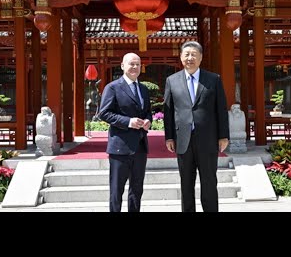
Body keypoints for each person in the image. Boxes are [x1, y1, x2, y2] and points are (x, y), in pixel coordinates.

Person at [163, 41, 230, 212]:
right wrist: (169, 137)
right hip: (183, 139)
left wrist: (223, 135)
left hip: (208, 139)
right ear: (181, 57)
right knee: (186, 182)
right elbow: (168, 111)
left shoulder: (213, 79)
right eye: (186, 54)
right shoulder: (172, 80)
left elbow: (221, 109)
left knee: (209, 181)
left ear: (200, 58)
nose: (190, 58)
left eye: (194, 54)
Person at [98, 52, 152, 212]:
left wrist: (149, 120)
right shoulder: (113, 87)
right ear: (122, 66)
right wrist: (129, 122)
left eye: (137, 64)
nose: (135, 67)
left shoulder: (143, 89)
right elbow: (104, 113)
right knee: (117, 191)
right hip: (120, 147)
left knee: (137, 189)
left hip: (140, 147)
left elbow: (147, 112)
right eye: (131, 64)